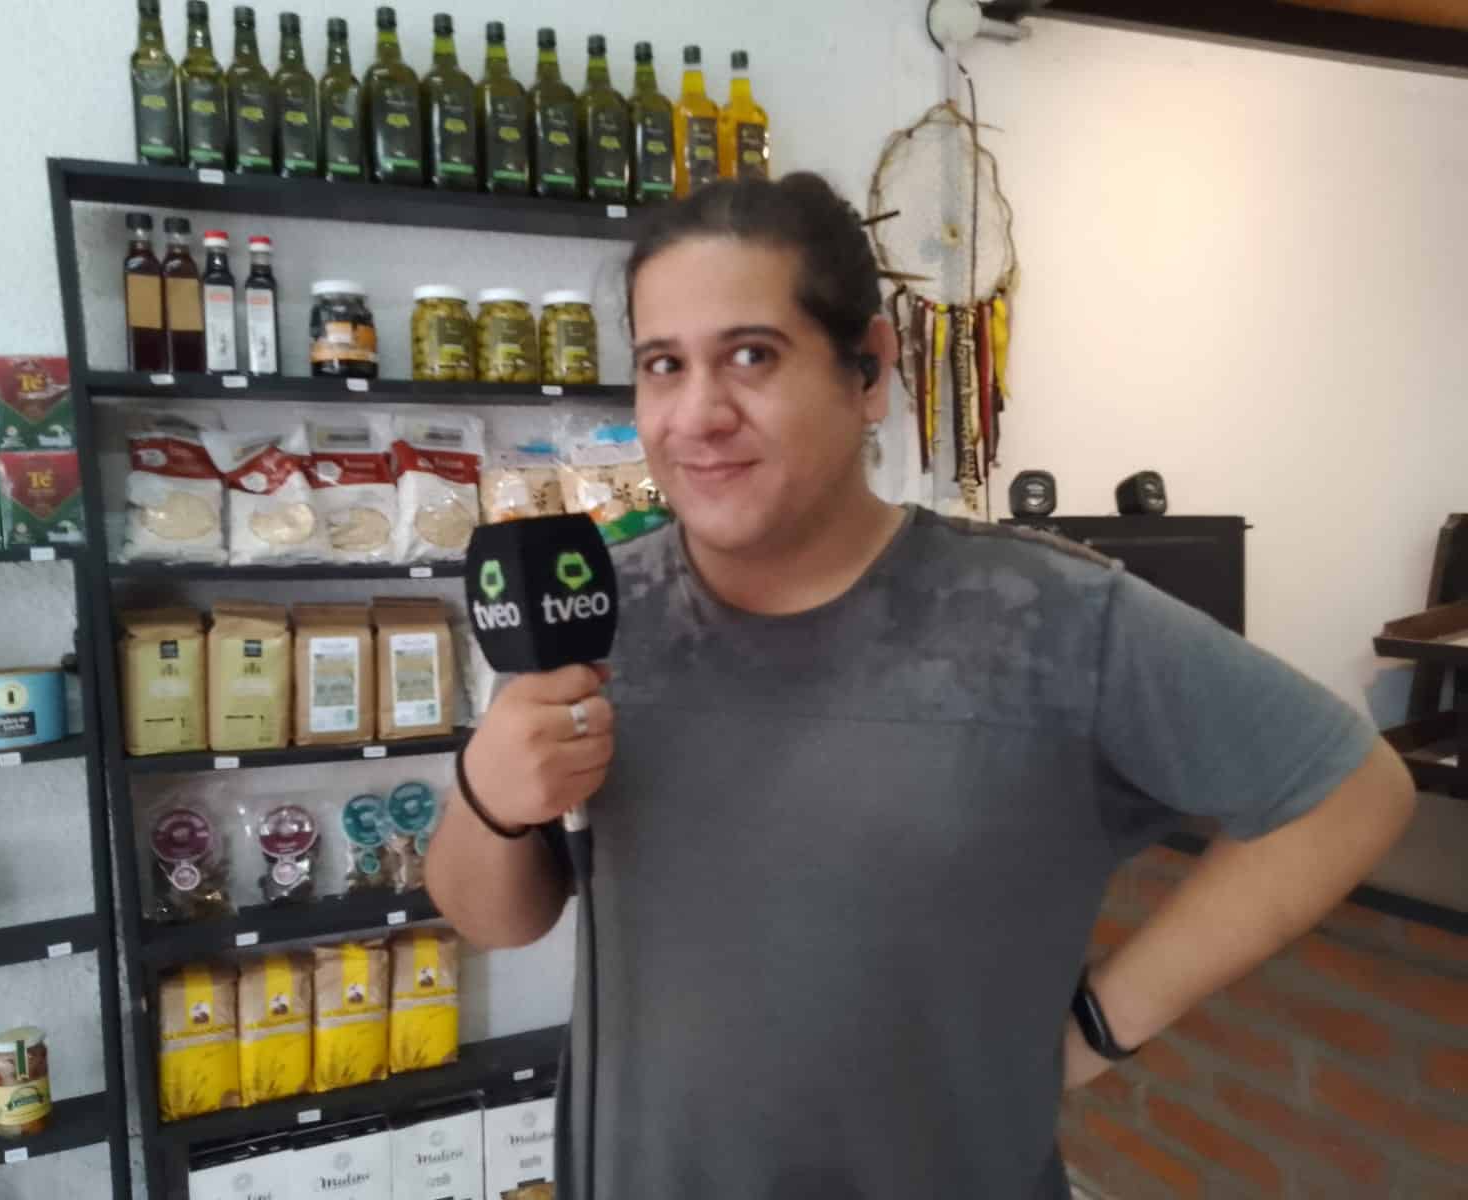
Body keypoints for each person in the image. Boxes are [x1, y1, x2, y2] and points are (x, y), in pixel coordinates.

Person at [425, 173, 1417, 1198]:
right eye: (662, 365)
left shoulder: (1045, 616)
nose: (698, 415)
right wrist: (489, 795)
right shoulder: (597, 613)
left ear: (868, 370)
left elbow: (1348, 790)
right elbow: (494, 920)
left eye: (752, 355)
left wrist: (1099, 1026)